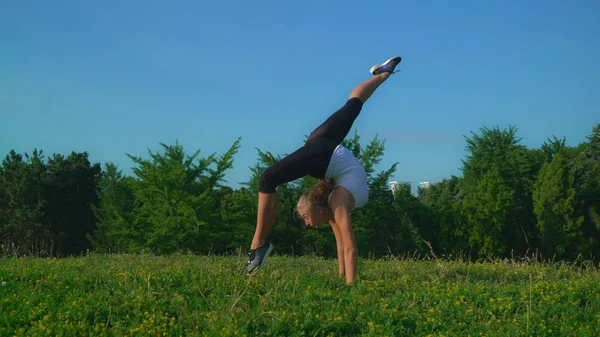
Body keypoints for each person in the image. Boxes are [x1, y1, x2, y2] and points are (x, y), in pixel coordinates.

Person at [246, 56, 402, 284]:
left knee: (268, 179)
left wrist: (349, 287)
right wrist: (347, 284)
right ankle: (260, 244)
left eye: (306, 217)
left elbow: (348, 248)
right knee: (353, 105)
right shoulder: (337, 202)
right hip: (323, 149)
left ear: (317, 207)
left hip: (323, 151)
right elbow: (346, 246)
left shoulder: (337, 201)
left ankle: (259, 244)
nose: (308, 224)